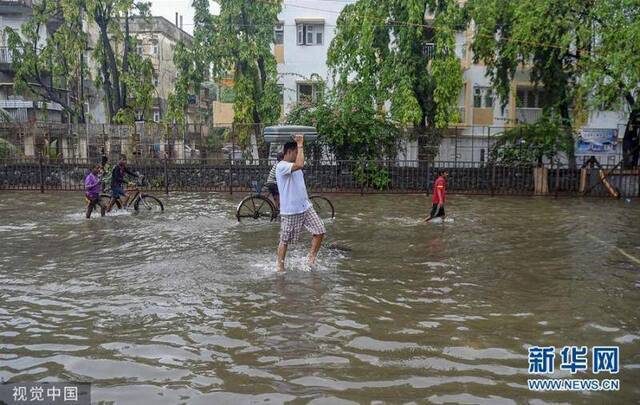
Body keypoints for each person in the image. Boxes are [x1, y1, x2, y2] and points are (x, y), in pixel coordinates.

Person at [276, 135, 325, 272]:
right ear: (289, 152)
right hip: (290, 211)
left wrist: (299, 145)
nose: (298, 155)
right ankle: (280, 266)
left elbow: (299, 164)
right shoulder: (282, 166)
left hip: (305, 207)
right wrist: (300, 143)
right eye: (296, 152)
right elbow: (300, 164)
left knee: (320, 230)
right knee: (285, 240)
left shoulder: (294, 166)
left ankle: (311, 259)